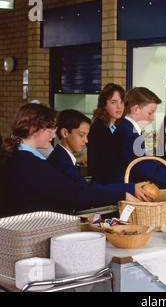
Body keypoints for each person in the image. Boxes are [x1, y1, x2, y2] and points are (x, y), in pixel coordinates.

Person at [0, 103, 138, 218]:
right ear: (32, 129)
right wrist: (122, 194)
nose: (54, 134)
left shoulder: (14, 156)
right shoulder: (32, 165)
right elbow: (78, 193)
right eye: (50, 129)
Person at [47, 109, 152, 201]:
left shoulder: (62, 157)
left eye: (86, 136)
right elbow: (85, 190)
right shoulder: (62, 162)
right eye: (81, 135)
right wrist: (127, 190)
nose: (86, 140)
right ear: (64, 133)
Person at [87, 83, 126, 183]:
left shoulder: (121, 127)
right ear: (104, 104)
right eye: (113, 102)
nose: (119, 107)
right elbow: (97, 166)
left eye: (122, 102)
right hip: (105, 185)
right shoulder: (97, 129)